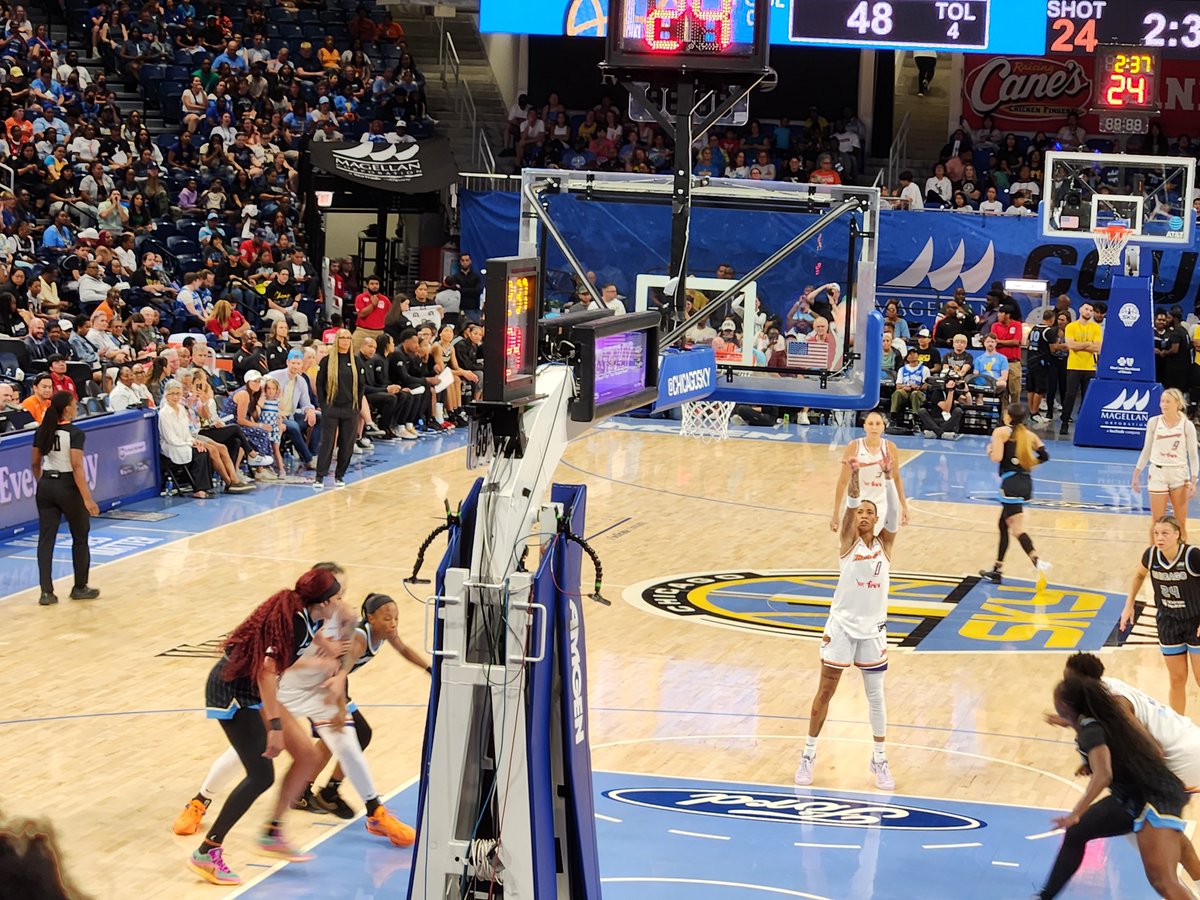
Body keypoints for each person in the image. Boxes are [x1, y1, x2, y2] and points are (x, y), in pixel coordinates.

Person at [187, 567, 343, 886]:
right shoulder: (295, 622)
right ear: (324, 601)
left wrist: (323, 646)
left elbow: (291, 648)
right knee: (260, 775)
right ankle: (207, 850)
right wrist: (273, 725)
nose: (342, 603)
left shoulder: (307, 615)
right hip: (233, 690)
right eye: (338, 597)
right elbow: (266, 673)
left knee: (307, 756)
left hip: (255, 689)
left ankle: (272, 832)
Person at [1036, 653, 1200, 899]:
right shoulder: (1099, 701)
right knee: (1163, 840)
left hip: (1177, 764)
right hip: (1179, 757)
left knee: (1160, 875)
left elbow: (1153, 750)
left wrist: (1077, 811)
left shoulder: (1113, 704)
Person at [276, 591, 420, 844]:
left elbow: (405, 649)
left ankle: (316, 792)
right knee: (350, 736)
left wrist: (430, 668)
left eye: (396, 618)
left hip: (331, 683)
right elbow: (340, 670)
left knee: (352, 737)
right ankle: (348, 801)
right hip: (319, 685)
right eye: (387, 618)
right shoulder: (360, 639)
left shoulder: (385, 633)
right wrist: (340, 706)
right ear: (370, 618)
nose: (393, 623)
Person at [797, 450, 901, 790]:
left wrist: (887, 478)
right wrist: (855, 478)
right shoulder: (847, 543)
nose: (865, 516)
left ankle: (880, 758)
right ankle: (808, 755)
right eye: (861, 513)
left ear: (877, 518)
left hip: (873, 630)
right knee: (825, 691)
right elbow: (851, 504)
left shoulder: (885, 545)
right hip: (841, 626)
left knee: (876, 697)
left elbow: (895, 515)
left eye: (871, 513)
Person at [1119, 516, 1200, 715]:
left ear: (1177, 534)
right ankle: (1178, 727)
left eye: (1165, 533)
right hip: (1168, 622)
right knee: (1176, 679)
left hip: (1195, 621)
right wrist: (1128, 605)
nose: (1159, 538)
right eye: (1156, 533)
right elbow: (1139, 575)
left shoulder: (1192, 556)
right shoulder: (1151, 555)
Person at [31, 391, 100, 606]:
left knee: (46, 539)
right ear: (67, 408)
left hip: (46, 485)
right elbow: (77, 466)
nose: (77, 406)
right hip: (68, 485)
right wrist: (87, 499)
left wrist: (43, 482)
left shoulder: (43, 430)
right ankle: (79, 587)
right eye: (74, 404)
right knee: (80, 536)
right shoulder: (75, 433)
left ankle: (46, 592)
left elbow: (34, 463)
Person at [979, 403, 1052, 586]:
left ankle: (1038, 562)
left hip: (1011, 484)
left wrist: (989, 451)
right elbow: (1044, 456)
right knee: (1003, 524)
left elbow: (997, 457)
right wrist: (1028, 463)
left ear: (1009, 416)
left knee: (1017, 529)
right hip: (1025, 483)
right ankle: (997, 570)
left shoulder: (1001, 432)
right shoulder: (1030, 435)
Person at [1132, 390, 1198, 544]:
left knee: (1180, 522)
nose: (1164, 405)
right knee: (1157, 521)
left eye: (1168, 401)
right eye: (1162, 401)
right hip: (1157, 472)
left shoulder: (1187, 426)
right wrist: (1137, 473)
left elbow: (1193, 456)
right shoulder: (1154, 422)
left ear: (1178, 404)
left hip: (1179, 474)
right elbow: (1146, 449)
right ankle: (1153, 557)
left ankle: (1180, 559)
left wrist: (1193, 481)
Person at [830, 411, 909, 531]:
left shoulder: (890, 447)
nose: (874, 427)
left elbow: (896, 479)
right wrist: (836, 513)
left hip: (881, 505)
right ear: (865, 426)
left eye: (878, 424)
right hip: (857, 504)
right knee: (850, 546)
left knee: (878, 546)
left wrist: (904, 507)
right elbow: (842, 481)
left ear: (883, 427)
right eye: (871, 423)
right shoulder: (854, 446)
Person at [314, 328, 366, 489]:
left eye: (348, 338)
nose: (345, 341)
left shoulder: (357, 362)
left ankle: (339, 475)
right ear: (336, 340)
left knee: (347, 443)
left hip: (350, 409)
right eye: (342, 338)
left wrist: (356, 406)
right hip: (332, 408)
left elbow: (361, 386)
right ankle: (320, 476)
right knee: (327, 443)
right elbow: (320, 384)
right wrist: (324, 405)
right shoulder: (327, 361)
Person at [159, 380, 214, 498]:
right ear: (166, 395)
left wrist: (194, 441)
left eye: (178, 394)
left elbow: (186, 432)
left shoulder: (182, 409)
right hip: (172, 446)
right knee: (199, 454)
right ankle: (199, 489)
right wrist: (190, 444)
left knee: (204, 450)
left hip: (184, 442)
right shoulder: (164, 413)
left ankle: (205, 487)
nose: (175, 397)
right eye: (172, 394)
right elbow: (171, 438)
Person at [1060, 302, 1102, 435]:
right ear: (1080, 310)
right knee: (1070, 395)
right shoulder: (1071, 326)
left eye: (1091, 310)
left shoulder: (1096, 328)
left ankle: (1086, 424)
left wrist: (1080, 345)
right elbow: (1070, 345)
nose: (1088, 312)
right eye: (1086, 309)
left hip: (1090, 367)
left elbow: (1097, 348)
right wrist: (1088, 343)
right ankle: (1064, 422)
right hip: (1073, 366)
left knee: (1087, 397)